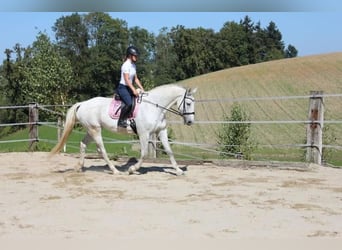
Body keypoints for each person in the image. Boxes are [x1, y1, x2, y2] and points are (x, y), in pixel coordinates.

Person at [116, 45, 144, 129]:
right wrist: (134, 90)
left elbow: (135, 79)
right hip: (123, 88)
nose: (136, 57)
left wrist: (142, 88)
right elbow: (127, 80)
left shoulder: (133, 66)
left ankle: (133, 119)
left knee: (138, 101)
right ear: (130, 55)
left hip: (129, 87)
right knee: (129, 103)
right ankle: (121, 121)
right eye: (135, 55)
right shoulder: (126, 65)